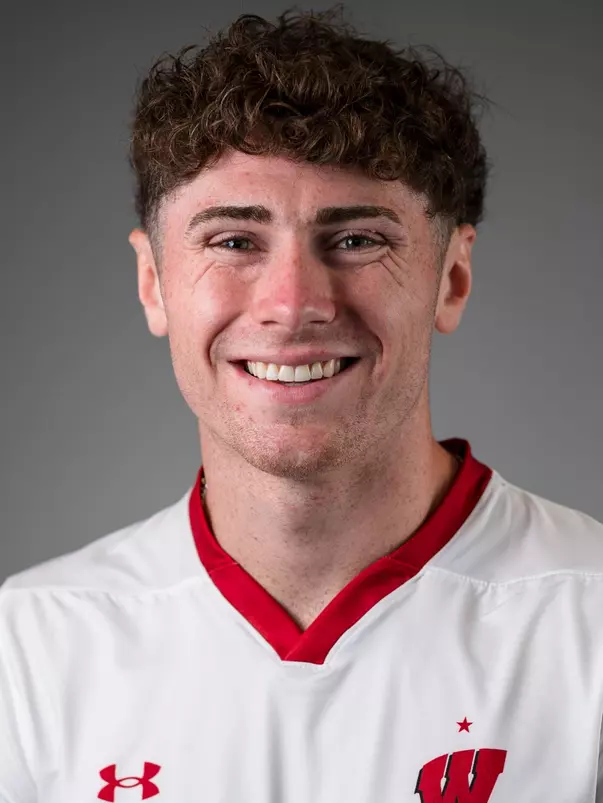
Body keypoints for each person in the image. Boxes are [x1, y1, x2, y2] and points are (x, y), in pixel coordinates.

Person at [1, 6, 602, 801]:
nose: (292, 304)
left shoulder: (587, 623)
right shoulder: (29, 646)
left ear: (451, 277)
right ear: (153, 282)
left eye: (356, 239)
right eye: (233, 240)